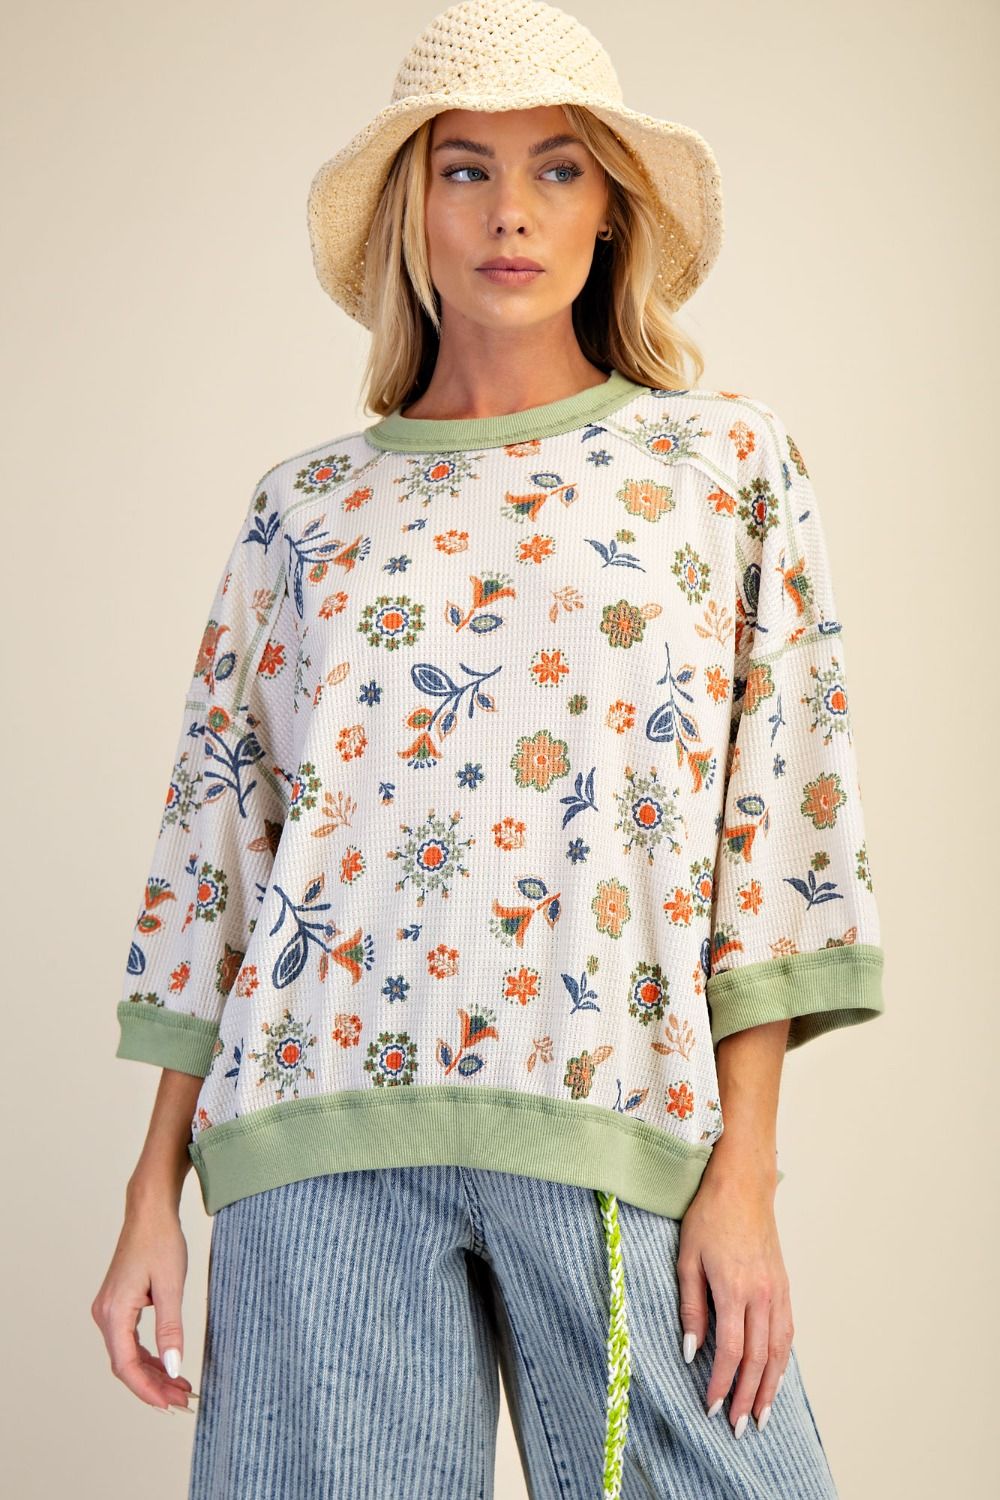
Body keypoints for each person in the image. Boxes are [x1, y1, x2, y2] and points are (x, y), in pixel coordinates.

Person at [91, 3, 886, 1496]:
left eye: (558, 169)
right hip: (310, 1139)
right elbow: (221, 847)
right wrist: (153, 1193)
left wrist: (747, 1176)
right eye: (464, 170)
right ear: (412, 211)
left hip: (615, 1114)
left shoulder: (720, 466)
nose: (511, 211)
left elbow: (777, 822)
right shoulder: (304, 510)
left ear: (612, 210)